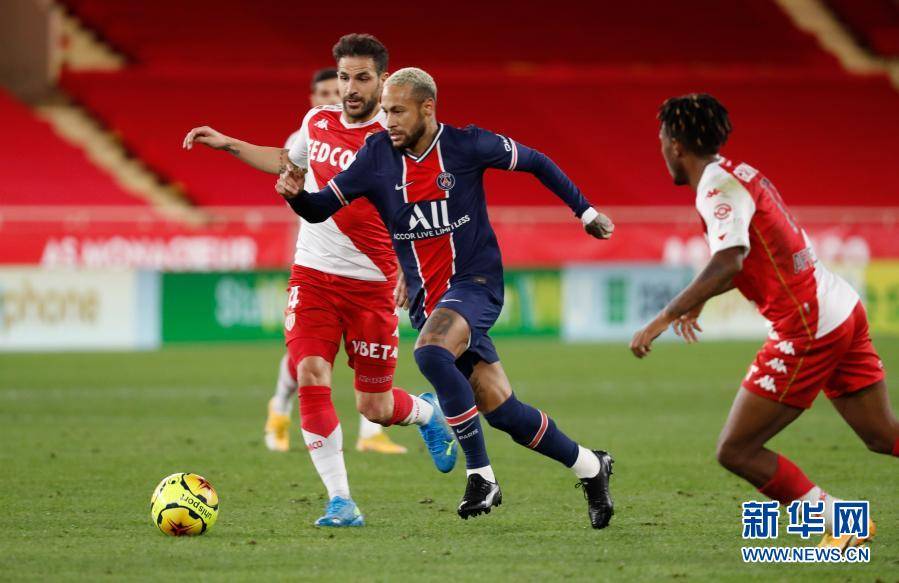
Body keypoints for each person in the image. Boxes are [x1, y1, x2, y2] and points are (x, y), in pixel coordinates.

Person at [277, 66, 616, 528]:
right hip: (428, 302)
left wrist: (586, 212)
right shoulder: (376, 156)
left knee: (431, 352)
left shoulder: (467, 145)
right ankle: (591, 466)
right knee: (504, 412)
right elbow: (320, 208)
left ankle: (481, 476)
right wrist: (296, 196)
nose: (388, 120)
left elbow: (536, 161)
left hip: (475, 284)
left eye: (398, 111)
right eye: (385, 111)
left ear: (427, 108)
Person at [183, 35, 457, 528]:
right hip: (313, 276)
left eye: (362, 78)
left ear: (383, 81)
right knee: (310, 373)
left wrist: (410, 267)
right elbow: (288, 163)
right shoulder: (316, 123)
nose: (350, 89)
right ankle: (341, 501)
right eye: (344, 77)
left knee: (374, 406)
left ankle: (425, 413)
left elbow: (425, 206)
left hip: (373, 285)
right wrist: (229, 144)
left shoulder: (397, 138)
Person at [631, 93, 897, 549]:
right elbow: (753, 257)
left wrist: (664, 316)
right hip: (838, 306)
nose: (661, 151)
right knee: (881, 434)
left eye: (661, 141)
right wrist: (701, 299)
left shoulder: (717, 189)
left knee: (737, 450)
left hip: (809, 324)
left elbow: (730, 259)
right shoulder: (738, 173)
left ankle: (842, 525)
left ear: (675, 145)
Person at [261, 67, 407, 456]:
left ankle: (371, 432)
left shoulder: (380, 136)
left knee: (369, 362)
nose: (336, 96)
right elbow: (288, 182)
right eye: (326, 91)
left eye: (338, 89)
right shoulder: (306, 136)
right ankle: (279, 408)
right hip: (318, 258)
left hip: (368, 266)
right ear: (313, 99)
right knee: (307, 358)